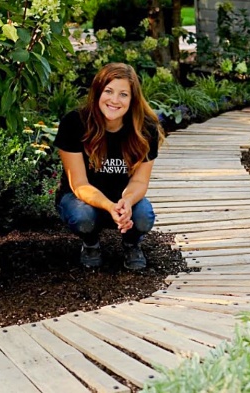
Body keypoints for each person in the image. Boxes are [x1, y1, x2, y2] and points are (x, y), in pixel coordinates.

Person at [53, 63, 164, 270]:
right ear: (97, 92)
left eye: (123, 94)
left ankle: (132, 244)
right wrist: (109, 206)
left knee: (143, 216)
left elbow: (139, 181)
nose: (114, 100)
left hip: (122, 197)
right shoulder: (75, 123)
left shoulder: (145, 129)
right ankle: (90, 244)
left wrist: (127, 202)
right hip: (81, 199)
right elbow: (79, 184)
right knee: (82, 217)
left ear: (132, 100)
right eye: (109, 91)